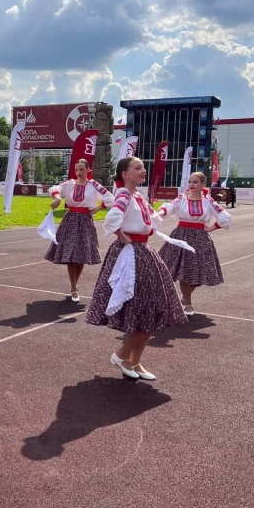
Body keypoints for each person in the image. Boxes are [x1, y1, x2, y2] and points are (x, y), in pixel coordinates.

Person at [86, 157, 187, 381]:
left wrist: (157, 216)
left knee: (152, 308)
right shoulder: (123, 194)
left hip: (143, 251)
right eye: (138, 168)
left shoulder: (138, 196)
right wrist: (125, 239)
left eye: (143, 167)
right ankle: (122, 355)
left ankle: (135, 361)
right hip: (131, 254)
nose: (143, 170)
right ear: (125, 174)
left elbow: (149, 220)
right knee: (144, 308)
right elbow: (112, 219)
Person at [157, 172, 231, 316]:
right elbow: (169, 207)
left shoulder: (208, 201)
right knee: (185, 271)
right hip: (182, 236)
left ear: (203, 185)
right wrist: (159, 213)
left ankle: (185, 297)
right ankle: (188, 302)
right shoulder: (181, 198)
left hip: (200, 238)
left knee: (200, 271)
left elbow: (225, 216)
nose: (191, 184)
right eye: (190, 181)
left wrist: (212, 227)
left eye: (195, 182)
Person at [45, 158, 115, 303]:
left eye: (81, 169)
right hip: (70, 220)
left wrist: (96, 209)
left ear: (88, 170)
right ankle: (73, 287)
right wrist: (58, 199)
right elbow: (55, 188)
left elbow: (110, 198)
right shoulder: (70, 184)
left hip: (85, 221)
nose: (78, 172)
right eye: (77, 169)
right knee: (70, 254)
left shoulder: (94, 185)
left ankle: (75, 284)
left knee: (81, 255)